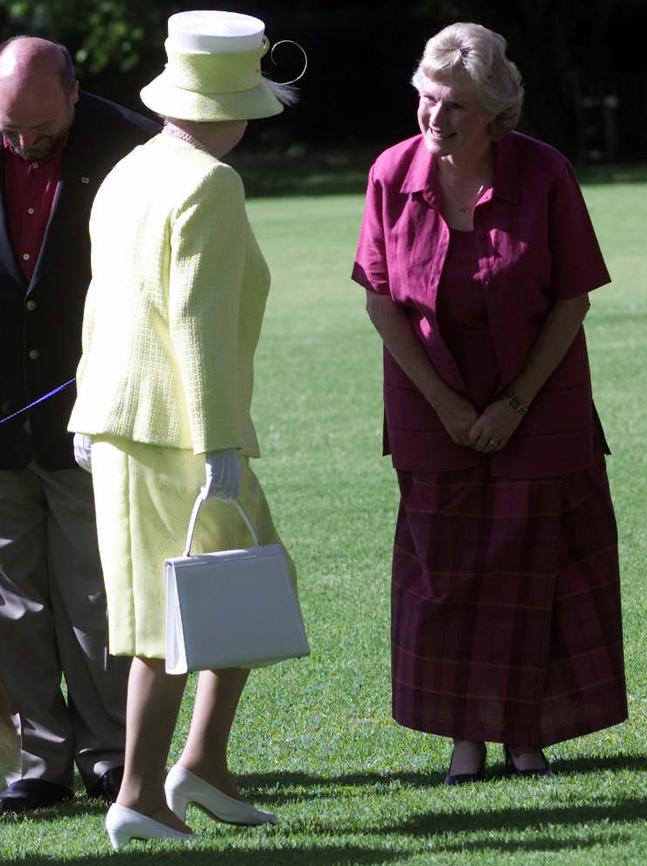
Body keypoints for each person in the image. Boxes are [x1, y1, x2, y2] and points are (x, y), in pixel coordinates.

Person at [352, 22, 627, 784]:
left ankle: (525, 738)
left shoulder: (545, 173)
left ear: (495, 115)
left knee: (535, 573)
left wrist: (512, 403)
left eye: (456, 109)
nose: (435, 120)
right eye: (427, 101)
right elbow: (382, 303)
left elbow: (571, 300)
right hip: (429, 406)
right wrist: (444, 404)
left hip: (540, 404)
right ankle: (464, 742)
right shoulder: (389, 174)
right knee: (449, 578)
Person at [68, 10, 299, 850]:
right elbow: (195, 322)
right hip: (176, 434)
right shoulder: (210, 182)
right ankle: (138, 793)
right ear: (230, 105)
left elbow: (100, 301)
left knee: (245, 590)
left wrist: (86, 408)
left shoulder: (130, 168)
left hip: (129, 422)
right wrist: (220, 447)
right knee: (173, 618)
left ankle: (201, 765)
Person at [0, 36, 159, 813]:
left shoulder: (131, 142)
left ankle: (107, 751)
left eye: (40, 129)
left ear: (72, 93)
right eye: (10, 131)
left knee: (94, 589)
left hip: (88, 406)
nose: (25, 144)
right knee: (13, 600)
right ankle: (40, 761)